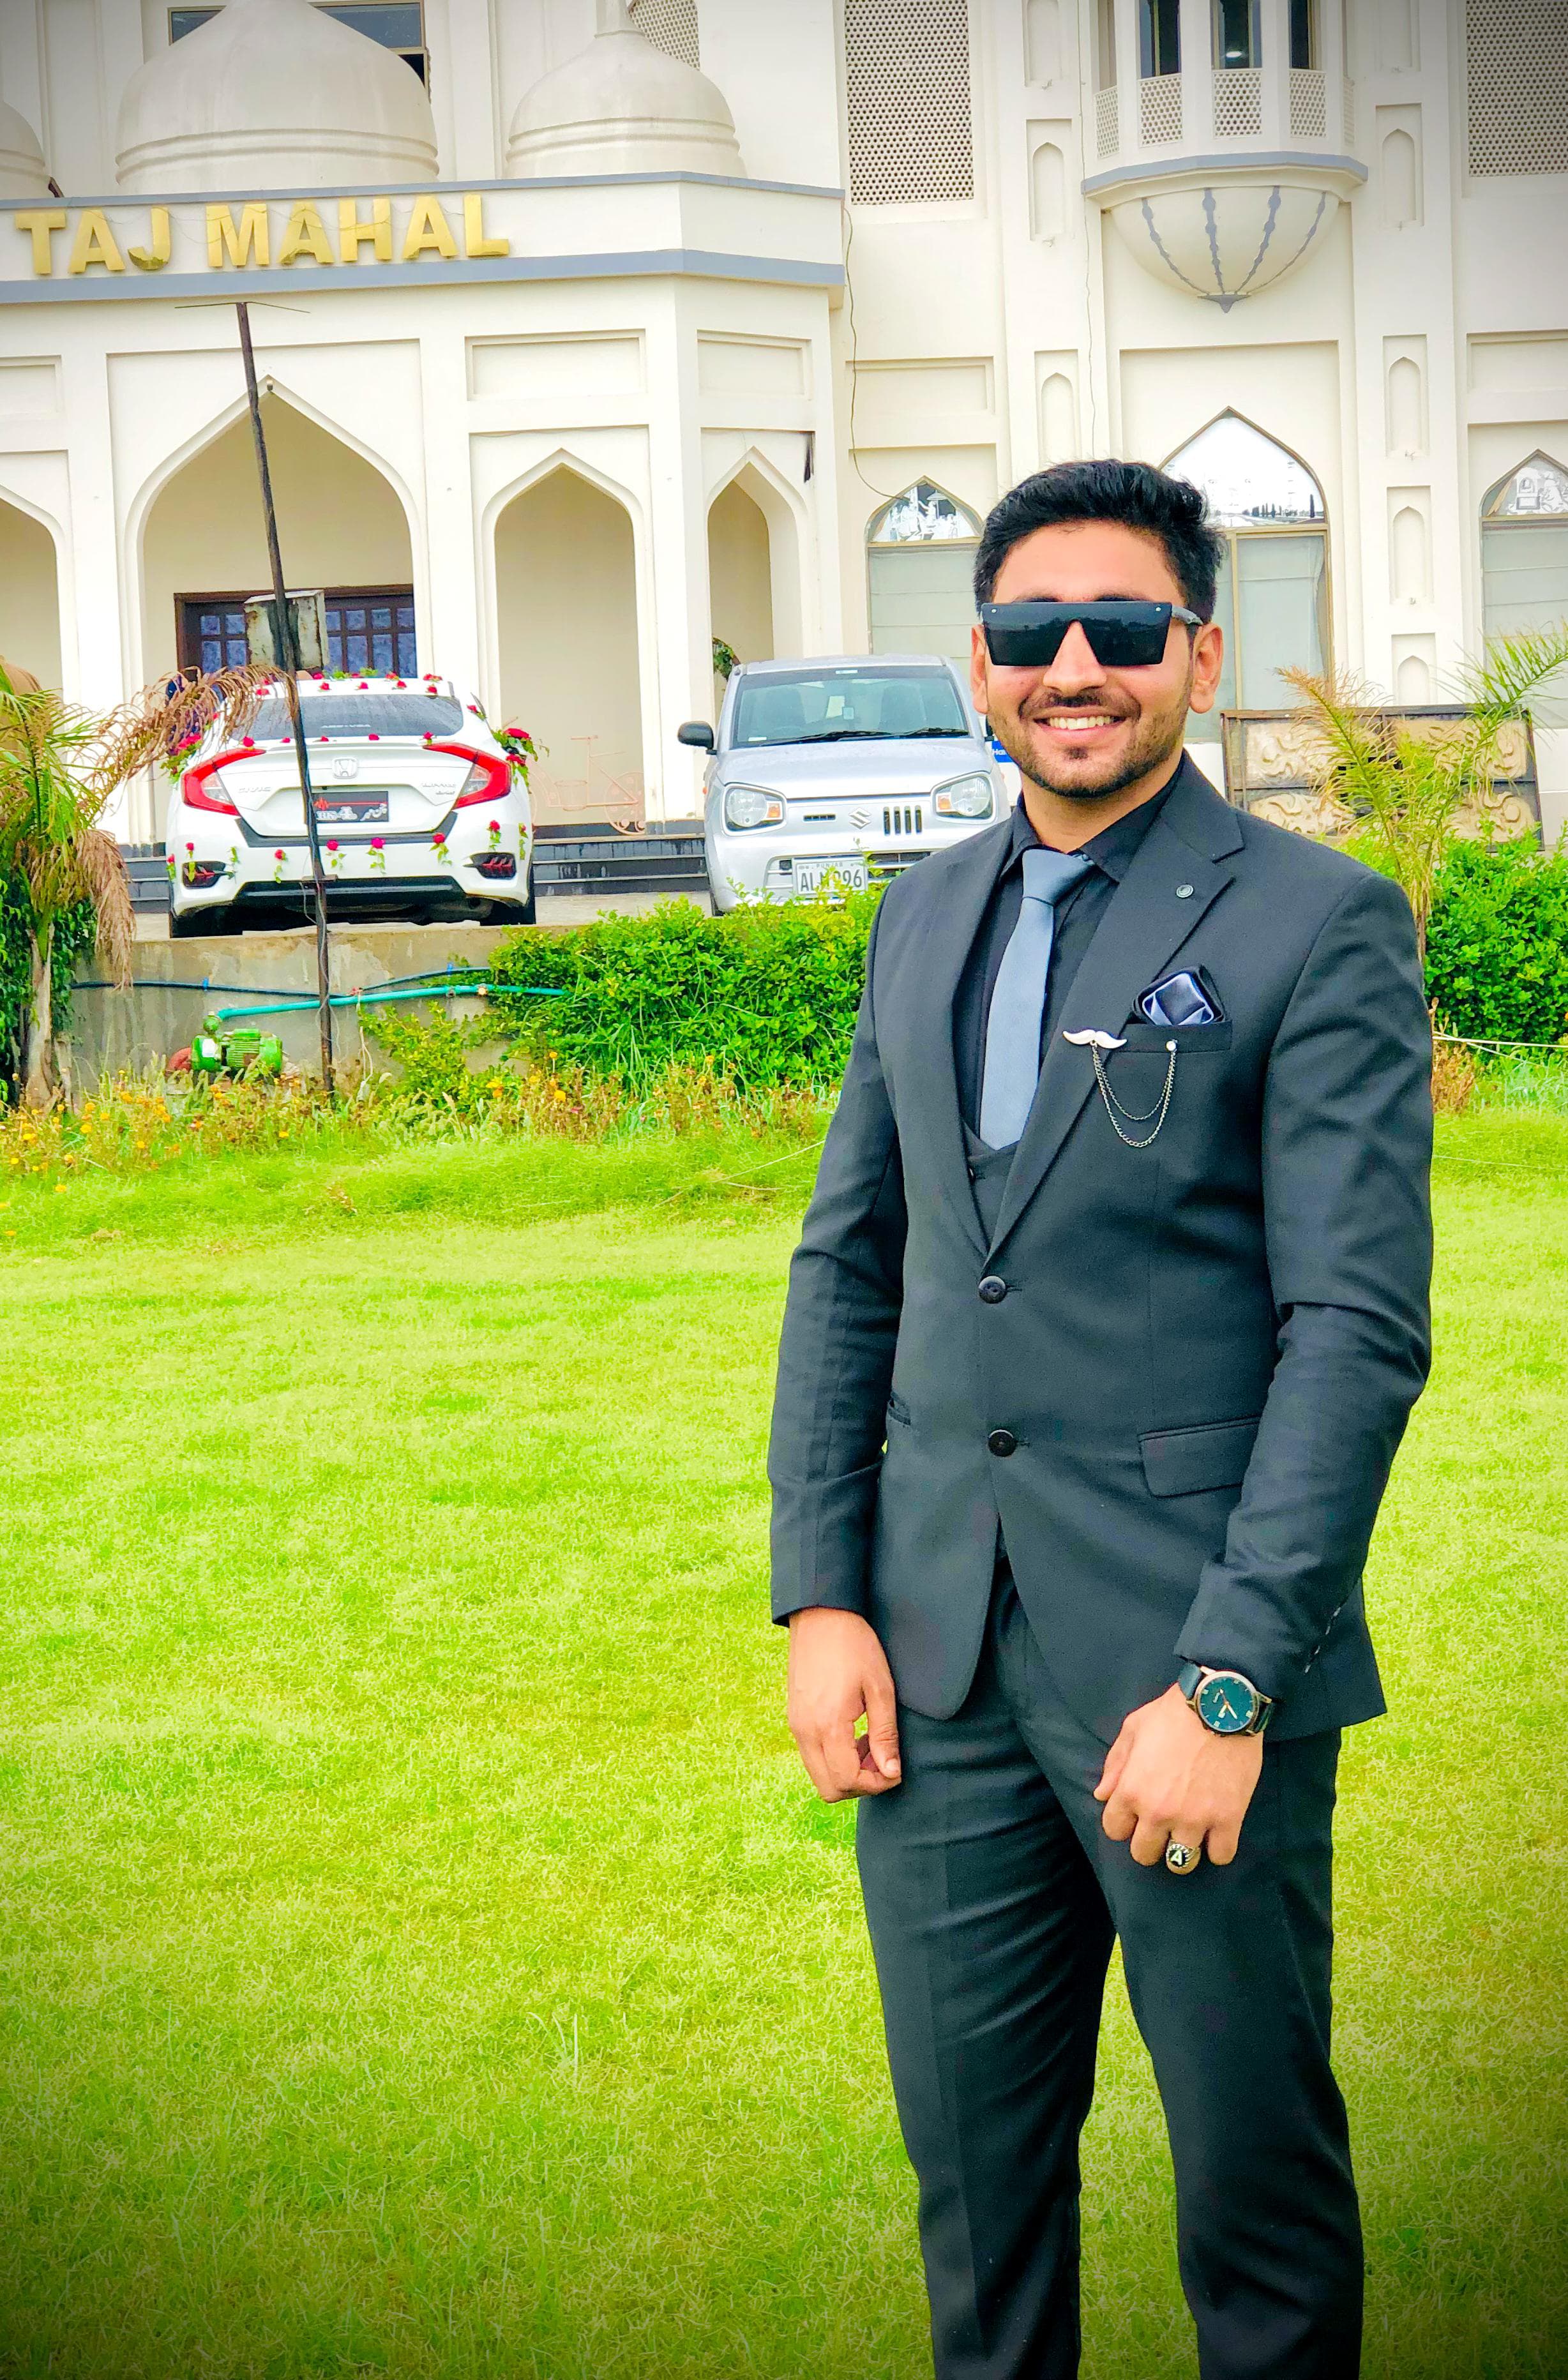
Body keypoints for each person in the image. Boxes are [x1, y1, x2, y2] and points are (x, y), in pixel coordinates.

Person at [768, 460, 1433, 2379]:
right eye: (1033, 631)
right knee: (978, 2211)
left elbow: (1354, 1332)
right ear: (979, 662)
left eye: (1126, 629)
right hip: (936, 1672)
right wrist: (825, 1596)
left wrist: (1227, 1685)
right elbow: (854, 1270)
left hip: (1186, 1671)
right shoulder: (919, 918)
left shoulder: (1318, 923)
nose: (1078, 666)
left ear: (1200, 657)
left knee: (1255, 2200)